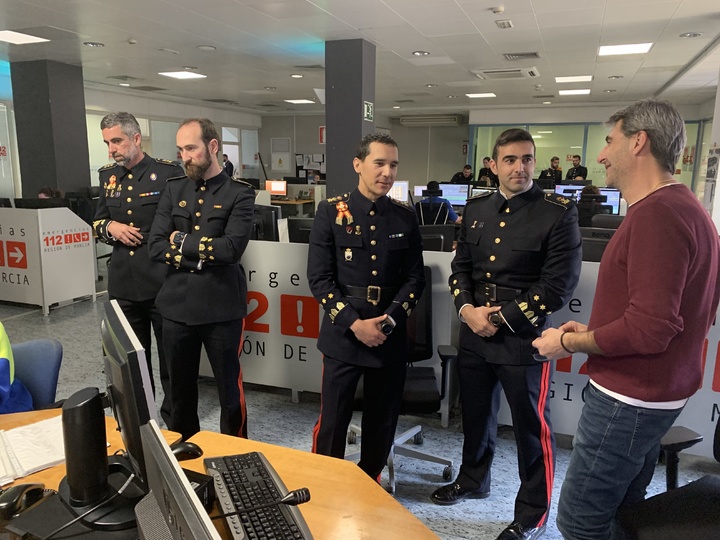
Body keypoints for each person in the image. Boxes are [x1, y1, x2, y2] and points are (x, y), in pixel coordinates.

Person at [533, 99, 720, 540]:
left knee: (580, 519)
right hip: (651, 394)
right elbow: (673, 312)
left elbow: (652, 328)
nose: (600, 155)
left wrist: (568, 344)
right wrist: (591, 332)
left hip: (629, 399)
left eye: (609, 141)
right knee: (623, 508)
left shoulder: (659, 214)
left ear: (639, 142)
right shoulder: (686, 209)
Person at [430, 128, 582, 540]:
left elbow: (557, 286)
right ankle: (474, 479)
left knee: (531, 429)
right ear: (493, 165)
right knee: (475, 417)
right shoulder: (477, 206)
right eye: (511, 160)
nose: (520, 167)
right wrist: (466, 310)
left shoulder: (558, 211)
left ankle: (532, 513)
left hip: (523, 337)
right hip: (475, 334)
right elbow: (461, 267)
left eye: (527, 159)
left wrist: (498, 318)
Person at [308, 132, 425, 481]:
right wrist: (355, 324)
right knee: (333, 421)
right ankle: (324, 482)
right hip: (344, 336)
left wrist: (388, 322)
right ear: (358, 165)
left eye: (393, 165)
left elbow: (414, 279)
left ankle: (368, 482)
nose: (387, 172)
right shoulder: (330, 212)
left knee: (382, 420)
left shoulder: (405, 217)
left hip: (389, 336)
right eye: (379, 163)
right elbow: (319, 279)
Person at [148, 118, 255, 441]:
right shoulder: (173, 188)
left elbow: (231, 249)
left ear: (212, 146)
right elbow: (154, 245)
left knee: (229, 393)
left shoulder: (240, 194)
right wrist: (201, 256)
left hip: (221, 307)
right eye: (181, 150)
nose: (185, 156)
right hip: (176, 307)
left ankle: (235, 450)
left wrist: (180, 241)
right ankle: (183, 453)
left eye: (191, 148)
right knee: (179, 393)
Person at [93, 112, 183, 425]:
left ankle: (175, 424)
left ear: (136, 138)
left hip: (161, 280)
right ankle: (140, 424)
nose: (111, 150)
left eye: (116, 141)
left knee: (172, 361)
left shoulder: (168, 173)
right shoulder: (108, 177)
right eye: (107, 143)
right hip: (123, 285)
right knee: (131, 362)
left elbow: (179, 222)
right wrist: (111, 227)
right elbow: (98, 221)